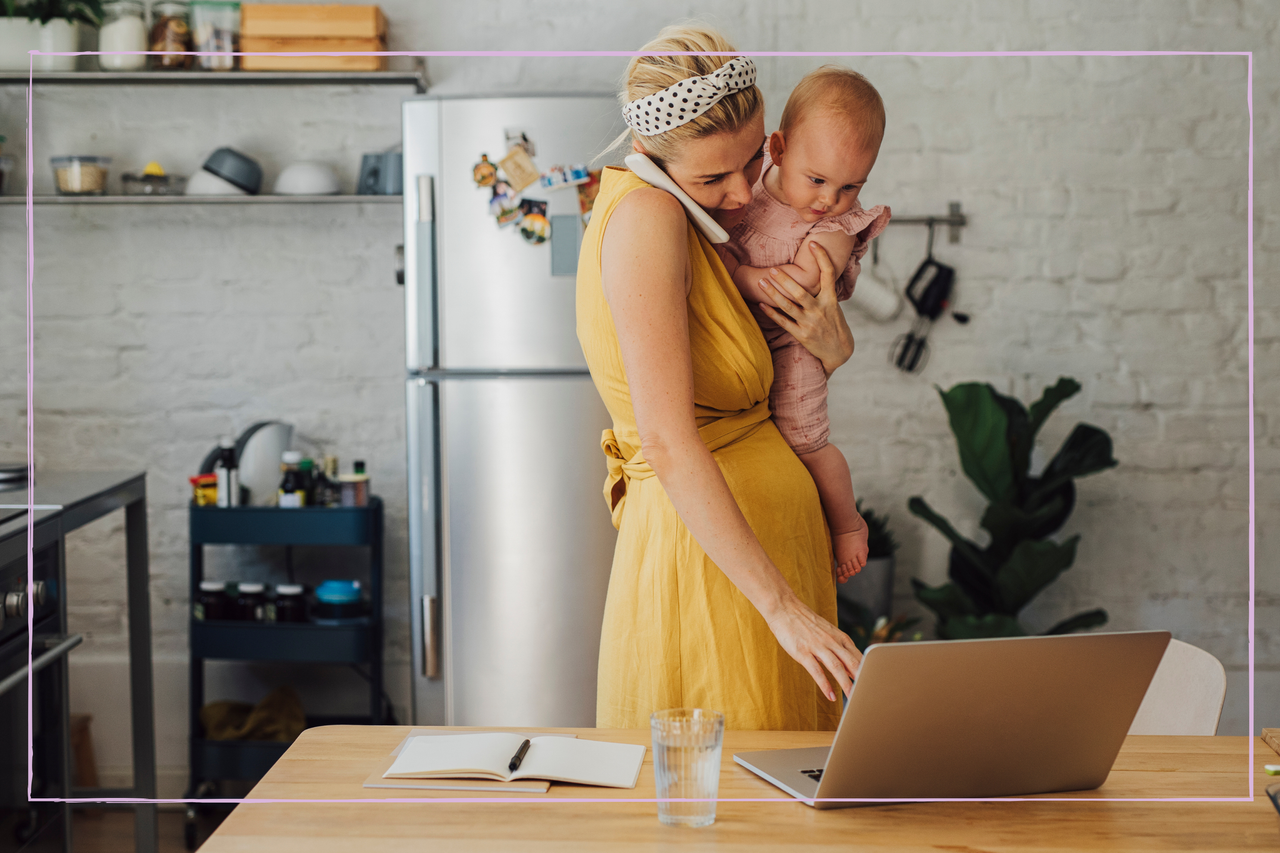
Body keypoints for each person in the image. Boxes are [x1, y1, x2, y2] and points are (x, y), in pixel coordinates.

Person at [576, 24, 862, 731]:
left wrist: (831, 346)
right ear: (648, 153)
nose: (740, 194)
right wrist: (783, 609)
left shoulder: (693, 218)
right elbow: (670, 442)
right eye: (712, 177)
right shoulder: (648, 215)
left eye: (751, 162)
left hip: (758, 566)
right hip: (716, 581)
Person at [716, 66, 892, 585]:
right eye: (817, 180)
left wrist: (742, 276)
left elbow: (809, 277)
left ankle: (846, 524)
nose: (828, 199)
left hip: (794, 343)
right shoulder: (747, 189)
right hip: (741, 338)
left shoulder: (837, 223)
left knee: (803, 442)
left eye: (850, 186)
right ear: (779, 147)